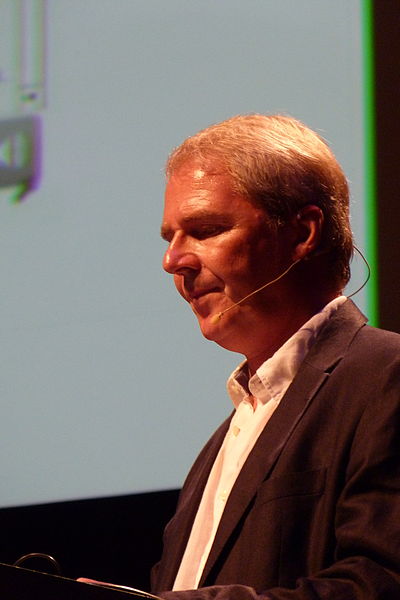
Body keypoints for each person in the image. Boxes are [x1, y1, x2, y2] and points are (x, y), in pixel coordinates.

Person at [153, 114, 400, 599]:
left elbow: (384, 582)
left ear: (303, 232)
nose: (173, 261)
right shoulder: (223, 441)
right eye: (170, 238)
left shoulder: (386, 377)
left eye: (205, 230)